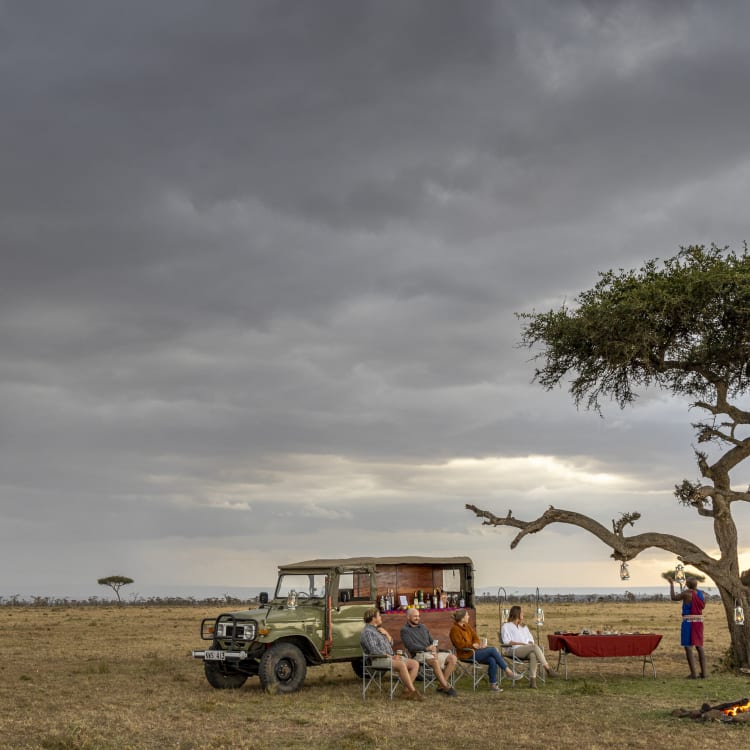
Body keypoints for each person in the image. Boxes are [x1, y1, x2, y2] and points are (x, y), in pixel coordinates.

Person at [449, 609, 522, 692]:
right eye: (467, 615)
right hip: (465, 654)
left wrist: (478, 645)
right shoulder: (454, 630)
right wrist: (472, 646)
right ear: (462, 618)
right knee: (493, 650)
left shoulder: (467, 626)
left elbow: (476, 638)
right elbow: (460, 645)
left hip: (474, 652)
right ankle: (508, 671)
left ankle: (493, 685)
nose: (468, 616)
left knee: (492, 659)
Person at [360, 608, 425, 700]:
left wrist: (387, 634)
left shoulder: (378, 630)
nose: (381, 618)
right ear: (373, 618)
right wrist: (391, 657)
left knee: (415, 663)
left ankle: (406, 691)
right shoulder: (368, 632)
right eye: (379, 616)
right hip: (377, 659)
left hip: (390, 658)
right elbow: (374, 650)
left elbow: (391, 644)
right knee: (402, 664)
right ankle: (413, 692)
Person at [400, 607, 458, 697]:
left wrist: (434, 647)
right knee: (435, 661)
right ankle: (446, 687)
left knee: (452, 658)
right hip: (419, 654)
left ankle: (440, 686)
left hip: (431, 652)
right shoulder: (405, 630)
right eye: (415, 616)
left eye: (418, 616)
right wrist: (426, 648)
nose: (417, 618)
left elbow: (432, 641)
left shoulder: (423, 627)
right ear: (408, 617)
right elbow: (410, 646)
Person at [500, 605, 558, 688]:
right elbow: (507, 641)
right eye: (522, 612)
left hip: (526, 650)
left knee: (533, 654)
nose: (523, 614)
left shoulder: (524, 627)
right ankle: (548, 669)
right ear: (517, 614)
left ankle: (532, 682)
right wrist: (521, 644)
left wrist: (528, 644)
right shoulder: (506, 626)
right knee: (534, 647)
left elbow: (531, 640)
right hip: (513, 650)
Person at [669, 576, 706, 679]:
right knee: (699, 646)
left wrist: (671, 584)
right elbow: (702, 606)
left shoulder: (686, 593)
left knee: (688, 646)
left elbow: (673, 597)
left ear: (688, 585)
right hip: (699, 622)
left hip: (688, 622)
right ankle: (704, 673)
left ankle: (693, 674)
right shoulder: (703, 594)